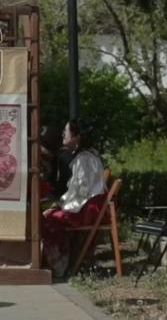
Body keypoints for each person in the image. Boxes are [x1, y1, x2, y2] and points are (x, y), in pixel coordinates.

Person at [42, 119, 107, 278]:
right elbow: (78, 191)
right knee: (52, 215)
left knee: (51, 219)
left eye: (66, 131)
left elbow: (81, 192)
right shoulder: (86, 156)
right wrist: (60, 205)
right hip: (88, 205)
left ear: (77, 136)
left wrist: (61, 206)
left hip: (89, 209)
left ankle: (58, 265)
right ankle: (63, 262)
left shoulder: (84, 159)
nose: (63, 134)